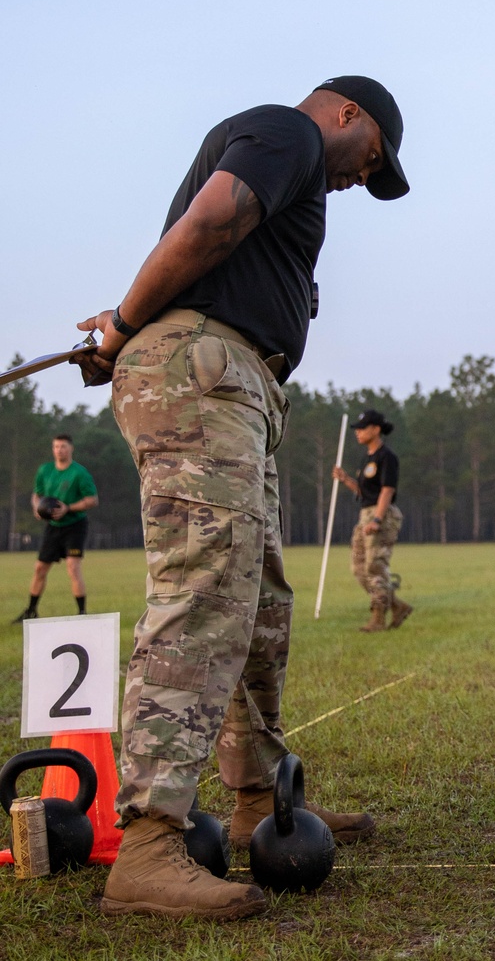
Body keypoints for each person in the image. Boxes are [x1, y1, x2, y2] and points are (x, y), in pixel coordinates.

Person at [71, 75, 409, 919]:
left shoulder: (300, 166)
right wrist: (122, 326)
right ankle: (150, 841)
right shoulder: (286, 133)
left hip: (235, 383)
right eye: (371, 161)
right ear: (345, 114)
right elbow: (212, 221)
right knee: (205, 589)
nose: (360, 180)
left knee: (257, 599)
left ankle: (261, 800)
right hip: (201, 372)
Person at [334, 409, 412, 632]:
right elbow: (364, 491)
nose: (357, 433)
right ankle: (397, 606)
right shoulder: (366, 458)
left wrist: (377, 519)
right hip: (365, 513)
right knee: (359, 568)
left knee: (375, 566)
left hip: (381, 514)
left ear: (376, 429)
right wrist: (345, 479)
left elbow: (387, 490)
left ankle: (378, 619)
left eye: (362, 428)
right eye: (357, 429)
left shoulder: (387, 457)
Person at [12, 433, 98, 622]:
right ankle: (31, 611)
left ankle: (82, 614)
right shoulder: (45, 470)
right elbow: (37, 495)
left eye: (63, 447)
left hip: (75, 525)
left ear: (71, 448)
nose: (59, 450)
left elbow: (92, 500)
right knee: (40, 568)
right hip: (53, 526)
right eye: (56, 447)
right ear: (53, 449)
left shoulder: (79, 473)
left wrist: (68, 508)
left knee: (73, 567)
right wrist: (37, 507)